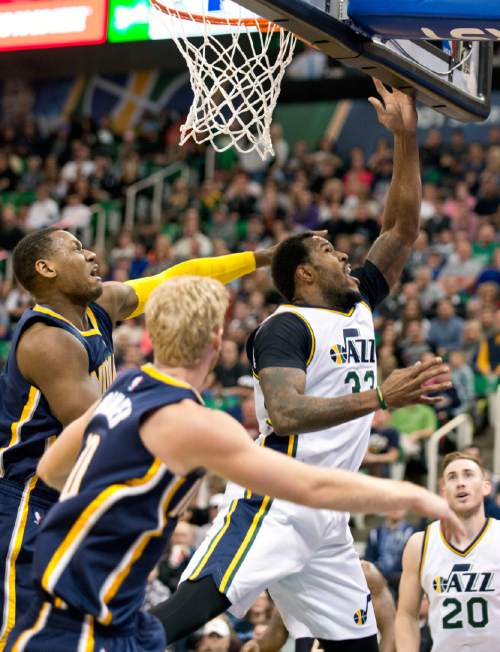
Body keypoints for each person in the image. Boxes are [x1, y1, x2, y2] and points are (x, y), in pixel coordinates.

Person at [7, 277, 461, 652]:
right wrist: (413, 494)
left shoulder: (123, 387)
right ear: (216, 340)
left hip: (49, 603)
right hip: (93, 628)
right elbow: (313, 489)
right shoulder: (197, 421)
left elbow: (50, 470)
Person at [153, 82, 451, 652]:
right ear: (304, 275)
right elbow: (285, 414)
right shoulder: (284, 327)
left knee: (358, 644)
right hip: (278, 500)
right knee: (188, 611)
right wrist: (379, 398)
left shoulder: (358, 301)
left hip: (328, 513)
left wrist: (406, 138)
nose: (344, 255)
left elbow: (401, 230)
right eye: (328, 252)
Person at [0, 227, 275, 648]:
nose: (92, 254)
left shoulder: (102, 306)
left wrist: (260, 257)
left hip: (65, 493)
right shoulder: (49, 341)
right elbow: (108, 434)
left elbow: (180, 278)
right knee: (24, 630)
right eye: (76, 249)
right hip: (24, 501)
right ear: (46, 268)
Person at [396, 452, 500, 651]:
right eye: (452, 477)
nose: (461, 483)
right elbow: (406, 615)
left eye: (468, 474)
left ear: (486, 486)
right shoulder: (420, 544)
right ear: (443, 491)